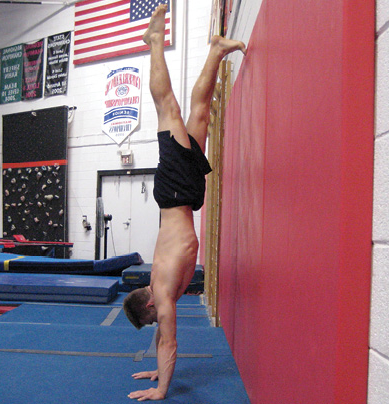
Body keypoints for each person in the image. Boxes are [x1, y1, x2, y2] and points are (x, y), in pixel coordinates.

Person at [123, 3, 246, 402]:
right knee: (200, 116)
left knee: (169, 109)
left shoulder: (161, 293)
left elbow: (169, 342)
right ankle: (215, 49)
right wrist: (153, 372)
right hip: (185, 197)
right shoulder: (163, 295)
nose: (160, 321)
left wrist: (162, 389)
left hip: (175, 194)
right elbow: (162, 338)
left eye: (153, 319)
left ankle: (154, 39)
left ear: (148, 307)